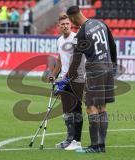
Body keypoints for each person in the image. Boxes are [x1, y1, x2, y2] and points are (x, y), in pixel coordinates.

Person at [66, 6, 117, 153]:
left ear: (73, 18)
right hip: (107, 67)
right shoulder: (101, 24)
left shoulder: (80, 34)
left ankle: (95, 146)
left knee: (90, 107)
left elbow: (75, 62)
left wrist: (68, 78)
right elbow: (112, 45)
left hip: (95, 70)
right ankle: (101, 146)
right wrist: (113, 66)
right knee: (102, 107)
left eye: (71, 21)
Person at [48, 13, 85, 150]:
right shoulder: (59, 40)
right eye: (62, 24)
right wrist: (53, 74)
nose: (65, 26)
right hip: (63, 78)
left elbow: (77, 61)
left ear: (71, 24)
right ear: (58, 26)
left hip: (76, 79)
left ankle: (76, 140)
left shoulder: (75, 38)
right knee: (66, 111)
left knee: (76, 110)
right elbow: (59, 58)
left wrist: (65, 79)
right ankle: (69, 139)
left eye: (67, 24)